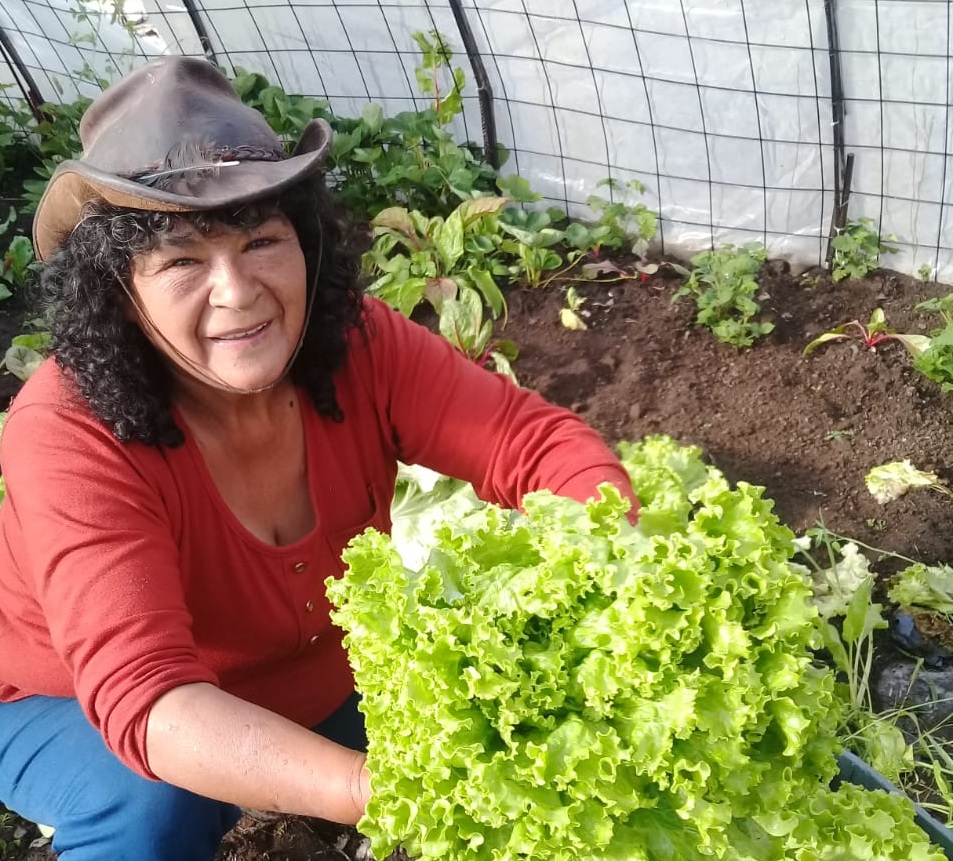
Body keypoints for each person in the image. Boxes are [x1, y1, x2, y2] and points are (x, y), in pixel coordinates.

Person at [0, 56, 640, 860]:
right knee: (150, 807)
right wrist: (380, 789)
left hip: (313, 679)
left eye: (261, 239)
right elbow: (150, 700)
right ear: (120, 291)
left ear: (305, 243)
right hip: (61, 700)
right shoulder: (67, 429)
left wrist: (617, 579)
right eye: (181, 260)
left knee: (543, 723)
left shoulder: (355, 343)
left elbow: (534, 443)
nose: (236, 291)